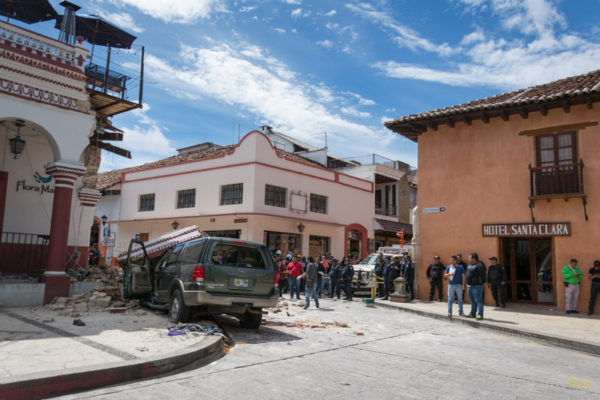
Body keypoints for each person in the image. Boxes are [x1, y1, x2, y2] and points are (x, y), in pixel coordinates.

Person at [465, 253, 486, 320]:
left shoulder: (479, 265)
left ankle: (480, 315)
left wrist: (481, 283)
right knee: (472, 301)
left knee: (479, 301)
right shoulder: (469, 266)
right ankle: (473, 314)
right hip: (469, 286)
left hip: (477, 286)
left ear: (474, 258)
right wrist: (467, 283)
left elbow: (483, 275)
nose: (468, 259)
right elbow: (467, 275)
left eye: (469, 258)